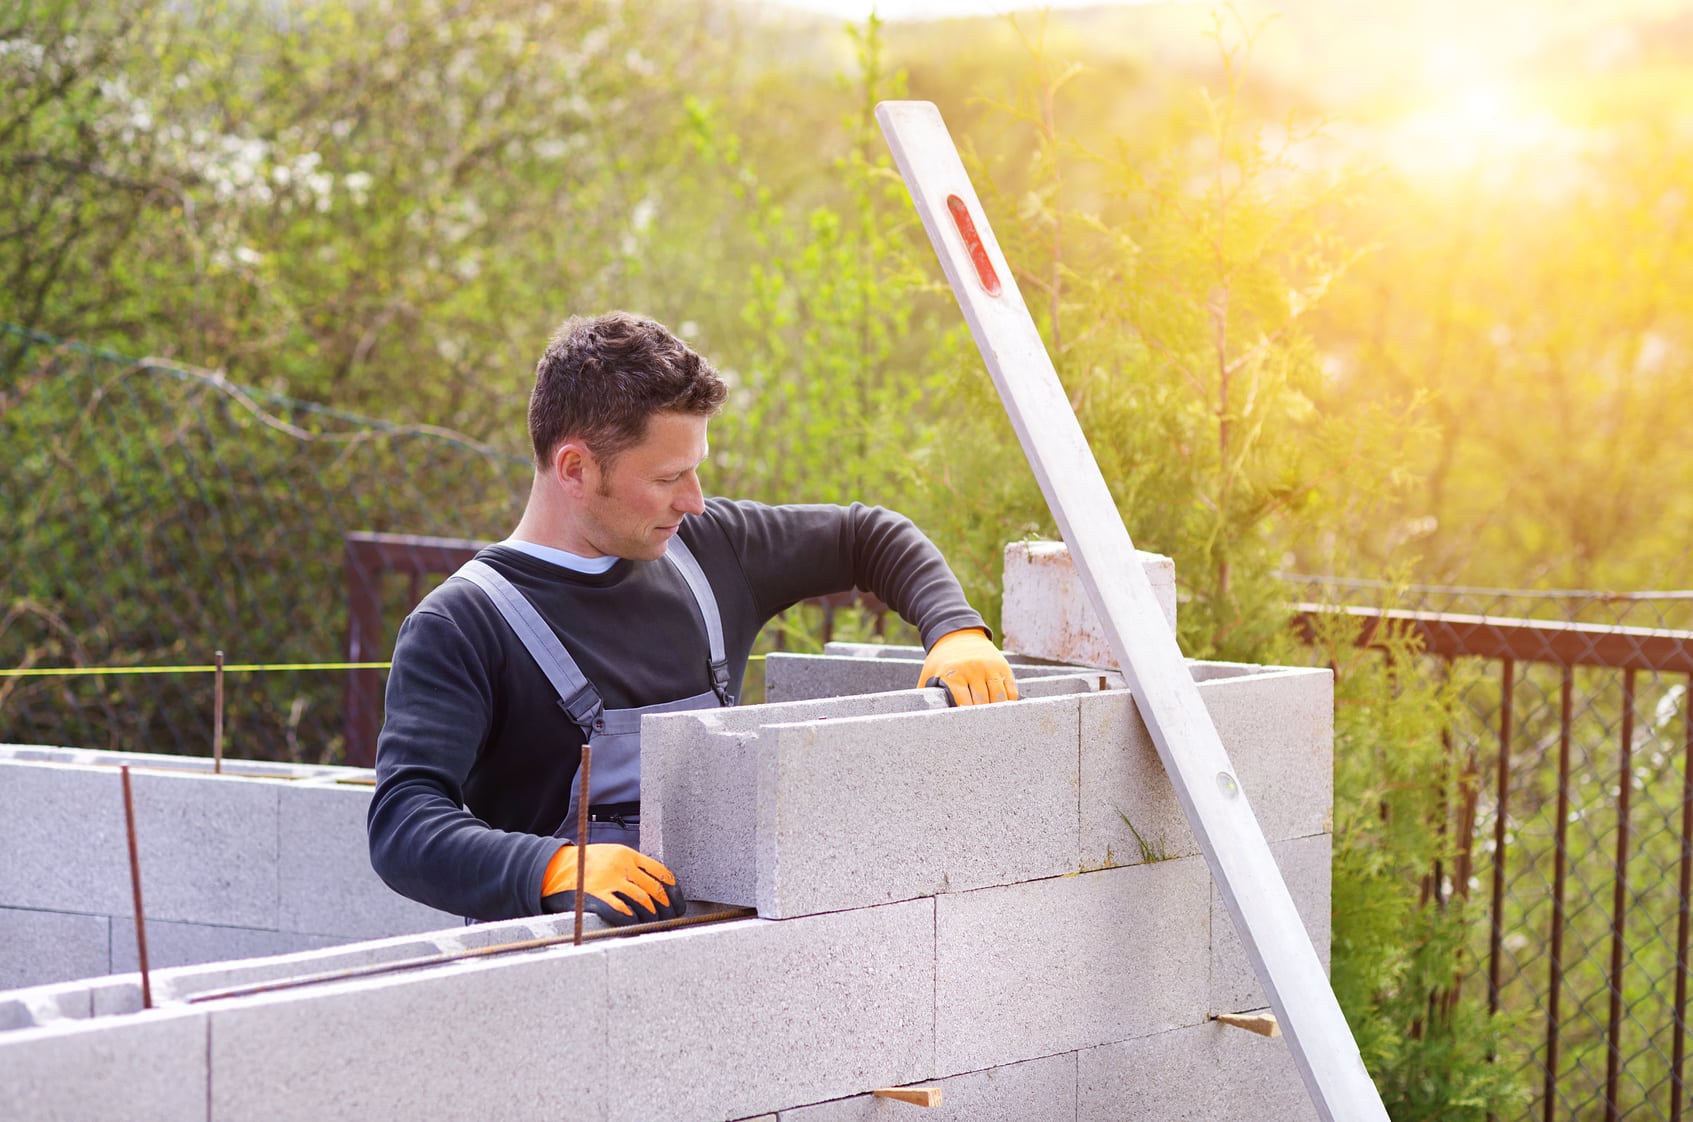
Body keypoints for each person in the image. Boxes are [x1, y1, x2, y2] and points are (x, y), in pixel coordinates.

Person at [367, 312, 1019, 925]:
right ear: (575, 469)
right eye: (667, 478)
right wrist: (554, 866)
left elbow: (866, 535)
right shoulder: (461, 625)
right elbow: (403, 823)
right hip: (550, 984)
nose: (694, 501)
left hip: (713, 962)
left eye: (696, 472)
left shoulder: (712, 552)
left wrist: (955, 631)